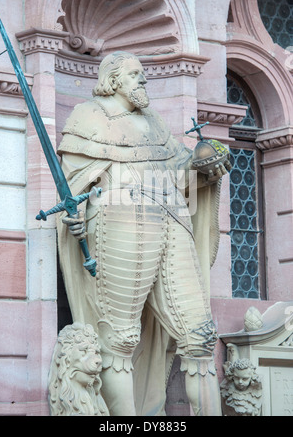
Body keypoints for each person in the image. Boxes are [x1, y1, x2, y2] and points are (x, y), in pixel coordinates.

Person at [57, 51, 230, 416]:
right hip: (118, 228)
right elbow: (76, 183)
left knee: (199, 337)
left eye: (143, 74)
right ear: (114, 79)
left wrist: (205, 164)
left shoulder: (155, 122)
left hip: (172, 225)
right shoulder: (87, 117)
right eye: (135, 74)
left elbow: (180, 173)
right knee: (118, 340)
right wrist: (76, 214)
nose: (143, 80)